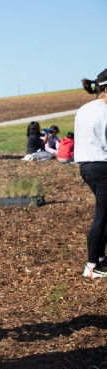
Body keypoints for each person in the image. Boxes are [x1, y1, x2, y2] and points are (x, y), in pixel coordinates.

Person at [75, 68, 107, 279]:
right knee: (102, 216)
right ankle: (92, 265)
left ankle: (101, 260)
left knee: (106, 214)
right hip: (103, 167)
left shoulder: (84, 109)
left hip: (86, 167)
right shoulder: (105, 110)